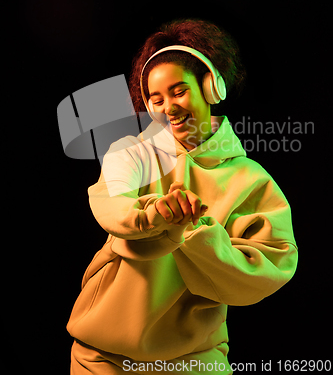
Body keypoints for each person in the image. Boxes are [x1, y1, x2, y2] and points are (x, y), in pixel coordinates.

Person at [67, 19, 298, 374]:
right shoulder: (130, 152)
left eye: (178, 91)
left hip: (195, 359)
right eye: (156, 99)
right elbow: (109, 203)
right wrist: (157, 215)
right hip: (101, 354)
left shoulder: (250, 180)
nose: (168, 108)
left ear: (211, 87)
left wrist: (199, 232)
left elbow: (270, 267)